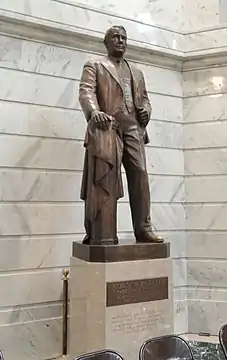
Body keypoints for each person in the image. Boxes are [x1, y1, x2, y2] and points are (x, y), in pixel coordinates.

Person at [79, 25, 164, 245]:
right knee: (106, 178)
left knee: (140, 173)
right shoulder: (95, 65)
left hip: (134, 129)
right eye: (116, 37)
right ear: (106, 42)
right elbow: (86, 91)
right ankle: (105, 234)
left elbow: (144, 99)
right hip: (109, 128)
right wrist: (94, 111)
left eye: (124, 38)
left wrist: (147, 110)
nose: (121, 41)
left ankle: (143, 228)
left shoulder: (136, 72)